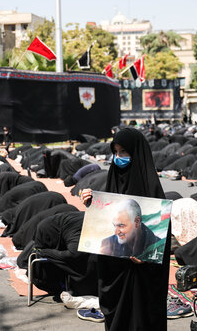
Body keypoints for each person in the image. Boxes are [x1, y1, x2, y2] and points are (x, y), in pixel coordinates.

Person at [80, 128, 169, 330]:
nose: (118, 158)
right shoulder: (110, 186)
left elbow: (162, 242)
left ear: (137, 153)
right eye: (116, 152)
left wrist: (148, 258)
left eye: (124, 152)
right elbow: (101, 232)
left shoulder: (153, 192)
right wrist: (91, 205)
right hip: (116, 278)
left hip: (144, 282)